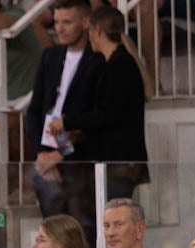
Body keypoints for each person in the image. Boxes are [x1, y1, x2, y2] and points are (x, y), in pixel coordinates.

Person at [58, 5, 149, 204]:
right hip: (113, 162)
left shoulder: (120, 65)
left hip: (120, 162)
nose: (88, 36)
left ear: (98, 30)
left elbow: (106, 115)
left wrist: (67, 122)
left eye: (90, 30)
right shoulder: (115, 64)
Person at [24, 0, 102, 226]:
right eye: (56, 22)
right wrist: (41, 154)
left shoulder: (98, 58)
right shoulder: (50, 56)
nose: (59, 28)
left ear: (86, 22)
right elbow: (34, 110)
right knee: (54, 230)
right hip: (47, 151)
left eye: (67, 22)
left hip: (80, 155)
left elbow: (96, 119)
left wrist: (61, 155)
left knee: (82, 227)